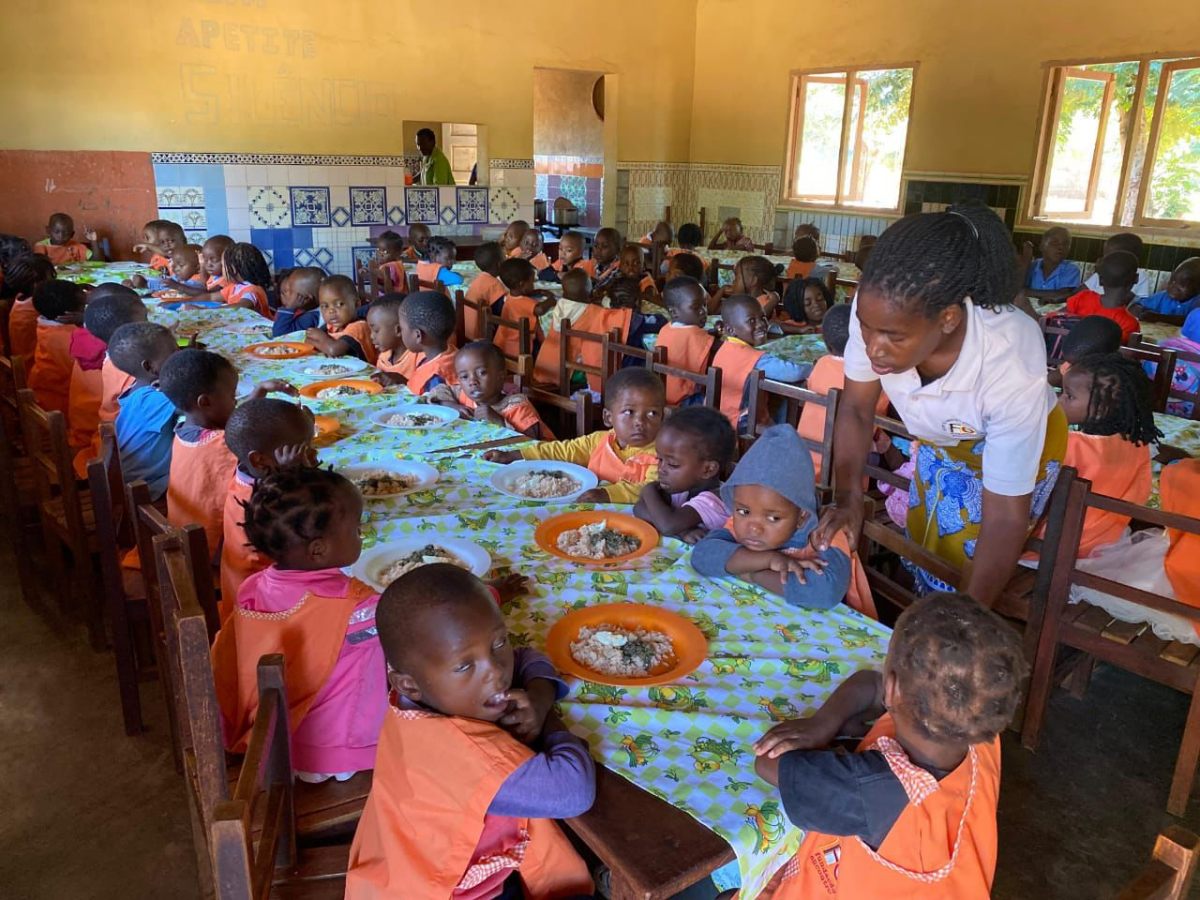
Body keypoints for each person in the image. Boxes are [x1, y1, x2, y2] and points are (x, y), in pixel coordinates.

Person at [812, 203, 1065, 606]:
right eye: (866, 329)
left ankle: (952, 631)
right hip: (942, 437)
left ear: (948, 318)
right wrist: (848, 499)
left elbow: (1004, 516)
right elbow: (858, 409)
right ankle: (925, 617)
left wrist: (962, 621)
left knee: (968, 557)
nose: (873, 348)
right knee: (930, 544)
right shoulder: (880, 308)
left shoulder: (1007, 354)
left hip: (1013, 441)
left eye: (893, 337)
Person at [345, 564, 594, 899]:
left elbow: (526, 657)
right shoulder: (460, 756)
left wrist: (538, 696)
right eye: (465, 665)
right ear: (409, 683)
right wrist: (547, 719)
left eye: (498, 642)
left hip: (404, 861)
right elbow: (573, 790)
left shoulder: (420, 696)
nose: (495, 672)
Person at [754, 593, 1025, 898]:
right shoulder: (973, 725)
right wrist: (823, 723)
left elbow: (767, 761)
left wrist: (818, 730)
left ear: (893, 689)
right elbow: (871, 683)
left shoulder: (874, 791)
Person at [211, 466, 387, 782]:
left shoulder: (252, 589)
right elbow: (413, 625)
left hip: (274, 745)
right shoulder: (360, 608)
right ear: (318, 549)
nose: (360, 536)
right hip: (336, 757)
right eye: (356, 530)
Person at [692, 425, 873, 616]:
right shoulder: (742, 521)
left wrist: (752, 573)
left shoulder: (825, 533)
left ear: (802, 516)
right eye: (743, 511)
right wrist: (769, 560)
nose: (753, 528)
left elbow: (824, 593)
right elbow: (702, 556)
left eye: (772, 518)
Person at [158, 349, 295, 562]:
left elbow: (235, 425)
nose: (235, 401)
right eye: (232, 396)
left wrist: (257, 394)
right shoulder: (223, 445)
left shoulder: (185, 429)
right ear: (205, 402)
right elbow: (268, 475)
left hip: (183, 536)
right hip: (212, 550)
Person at [484, 367, 664, 504]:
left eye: (652, 413)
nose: (640, 421)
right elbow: (564, 450)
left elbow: (650, 490)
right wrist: (516, 455)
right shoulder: (601, 440)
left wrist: (607, 494)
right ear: (608, 417)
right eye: (629, 412)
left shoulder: (661, 456)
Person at [1052, 353, 1161, 559]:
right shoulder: (1138, 445)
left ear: (1100, 409)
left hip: (1052, 544)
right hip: (1106, 541)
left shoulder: (1069, 444)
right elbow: (1141, 493)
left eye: (1069, 396)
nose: (1060, 400)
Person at [220, 398, 318, 619]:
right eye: (303, 448)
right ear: (261, 461)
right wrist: (299, 477)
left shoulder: (247, 476)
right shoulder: (260, 504)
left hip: (256, 592)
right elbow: (320, 524)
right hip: (262, 609)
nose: (312, 455)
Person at [797, 304, 890, 482]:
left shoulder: (821, 364)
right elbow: (880, 412)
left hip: (807, 457)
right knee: (888, 446)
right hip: (847, 466)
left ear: (828, 346)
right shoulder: (870, 375)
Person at [70, 286, 147, 475]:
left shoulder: (102, 352)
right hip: (121, 454)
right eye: (144, 322)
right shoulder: (127, 366)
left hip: (100, 433)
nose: (149, 326)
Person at [634, 406, 734, 544]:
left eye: (673, 464)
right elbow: (639, 508)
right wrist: (684, 531)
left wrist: (648, 489)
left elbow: (668, 526)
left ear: (708, 469)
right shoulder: (683, 487)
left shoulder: (715, 500)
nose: (661, 469)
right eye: (659, 459)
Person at [713, 294, 808, 431]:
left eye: (763, 317)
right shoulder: (753, 358)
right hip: (741, 421)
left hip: (719, 414)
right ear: (730, 330)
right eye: (751, 321)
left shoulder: (725, 347)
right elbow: (793, 373)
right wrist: (814, 367)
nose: (761, 324)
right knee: (785, 424)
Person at [108, 323, 179, 501]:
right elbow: (203, 404)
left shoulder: (138, 388)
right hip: (147, 488)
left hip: (129, 480)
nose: (180, 355)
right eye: (174, 352)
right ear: (149, 367)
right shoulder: (155, 401)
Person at [429, 341, 554, 439]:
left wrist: (499, 422)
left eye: (482, 373)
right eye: (464, 377)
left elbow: (531, 444)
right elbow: (439, 390)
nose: (472, 382)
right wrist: (452, 405)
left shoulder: (517, 407)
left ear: (501, 376)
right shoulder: (463, 395)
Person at [655, 276, 716, 406]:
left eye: (704, 305)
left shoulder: (665, 329)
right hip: (684, 400)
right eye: (696, 307)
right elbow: (714, 348)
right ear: (674, 312)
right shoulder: (695, 334)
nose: (703, 311)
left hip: (663, 393)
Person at [28, 280, 85, 415]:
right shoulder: (69, 338)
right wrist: (86, 320)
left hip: (45, 393)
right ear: (67, 315)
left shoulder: (47, 324)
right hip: (60, 404)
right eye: (83, 307)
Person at [1059, 250, 1140, 340]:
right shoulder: (1129, 324)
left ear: (1100, 280)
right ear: (1136, 279)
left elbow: (1054, 319)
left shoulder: (1081, 298)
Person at [388, 291, 458, 394]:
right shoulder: (452, 354)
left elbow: (430, 405)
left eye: (402, 328)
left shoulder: (435, 378)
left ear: (418, 335)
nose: (400, 332)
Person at [305, 275, 378, 365]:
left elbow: (334, 350)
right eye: (325, 306)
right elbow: (308, 341)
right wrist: (317, 340)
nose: (331, 311)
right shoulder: (332, 326)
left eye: (339, 304)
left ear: (356, 304)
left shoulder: (359, 326)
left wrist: (321, 338)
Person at [493, 258, 552, 359]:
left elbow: (523, 292)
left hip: (503, 344)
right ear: (521, 284)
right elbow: (540, 310)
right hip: (519, 348)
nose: (533, 285)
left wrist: (534, 291)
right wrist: (551, 299)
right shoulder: (524, 302)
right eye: (532, 282)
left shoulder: (510, 297)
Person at [3, 254, 56, 357]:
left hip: (26, 360)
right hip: (34, 365)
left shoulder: (21, 298)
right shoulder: (38, 306)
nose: (54, 281)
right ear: (37, 284)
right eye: (51, 277)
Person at [1049, 314, 1122, 388]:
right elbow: (1051, 379)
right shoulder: (1072, 365)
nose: (1062, 399)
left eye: (1070, 396)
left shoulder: (1103, 385)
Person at [1130, 256, 1200, 324]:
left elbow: (1187, 320)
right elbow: (1135, 306)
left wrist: (1159, 317)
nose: (1174, 287)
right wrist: (1140, 311)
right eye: (1173, 280)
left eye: (1182, 285)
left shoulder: (1196, 302)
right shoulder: (1163, 296)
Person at [1083, 232, 1151, 299]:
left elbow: (1132, 300)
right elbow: (1081, 290)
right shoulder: (1105, 271)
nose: (1104, 259)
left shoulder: (1140, 275)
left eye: (1108, 257)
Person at [1023, 225, 1081, 301]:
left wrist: (1027, 292)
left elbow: (1062, 294)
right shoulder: (1032, 266)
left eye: (1065, 244)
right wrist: (1026, 259)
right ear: (1042, 246)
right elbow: (1017, 289)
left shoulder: (1071, 269)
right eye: (1054, 243)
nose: (1061, 247)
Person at [463, 241, 506, 340]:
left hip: (468, 330)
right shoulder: (494, 284)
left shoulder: (479, 279)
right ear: (499, 264)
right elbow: (499, 313)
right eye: (505, 258)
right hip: (481, 333)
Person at [365, 294, 409, 380]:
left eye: (376, 331)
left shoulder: (418, 358)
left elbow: (428, 388)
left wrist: (402, 380)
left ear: (399, 330)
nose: (371, 336)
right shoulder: (384, 356)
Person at [272, 267, 323, 336]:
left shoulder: (309, 318)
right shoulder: (319, 310)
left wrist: (289, 308)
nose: (286, 296)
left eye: (291, 291)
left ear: (306, 299)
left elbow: (279, 334)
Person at [579, 227, 622, 293]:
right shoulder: (594, 264)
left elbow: (601, 288)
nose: (598, 250)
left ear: (617, 249)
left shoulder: (618, 268)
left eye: (604, 246)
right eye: (596, 245)